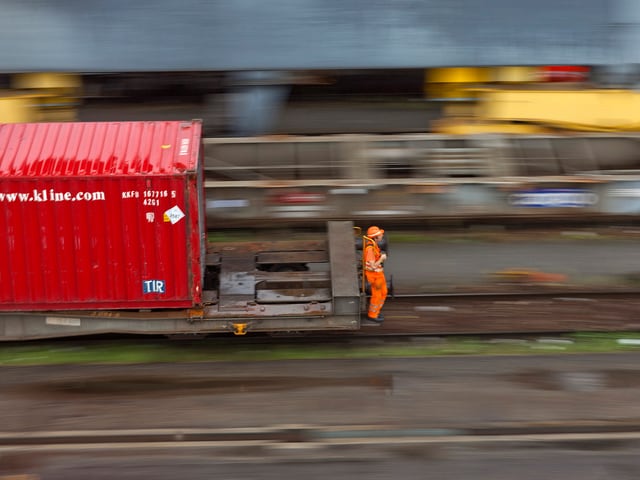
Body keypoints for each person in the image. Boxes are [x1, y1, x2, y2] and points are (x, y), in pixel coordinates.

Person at [363, 225, 387, 323]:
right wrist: (382, 259)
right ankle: (372, 315)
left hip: (379, 274)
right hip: (374, 275)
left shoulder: (374, 245)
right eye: (380, 235)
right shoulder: (370, 249)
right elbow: (372, 266)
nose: (382, 235)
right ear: (375, 237)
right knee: (377, 295)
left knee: (384, 293)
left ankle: (377, 311)